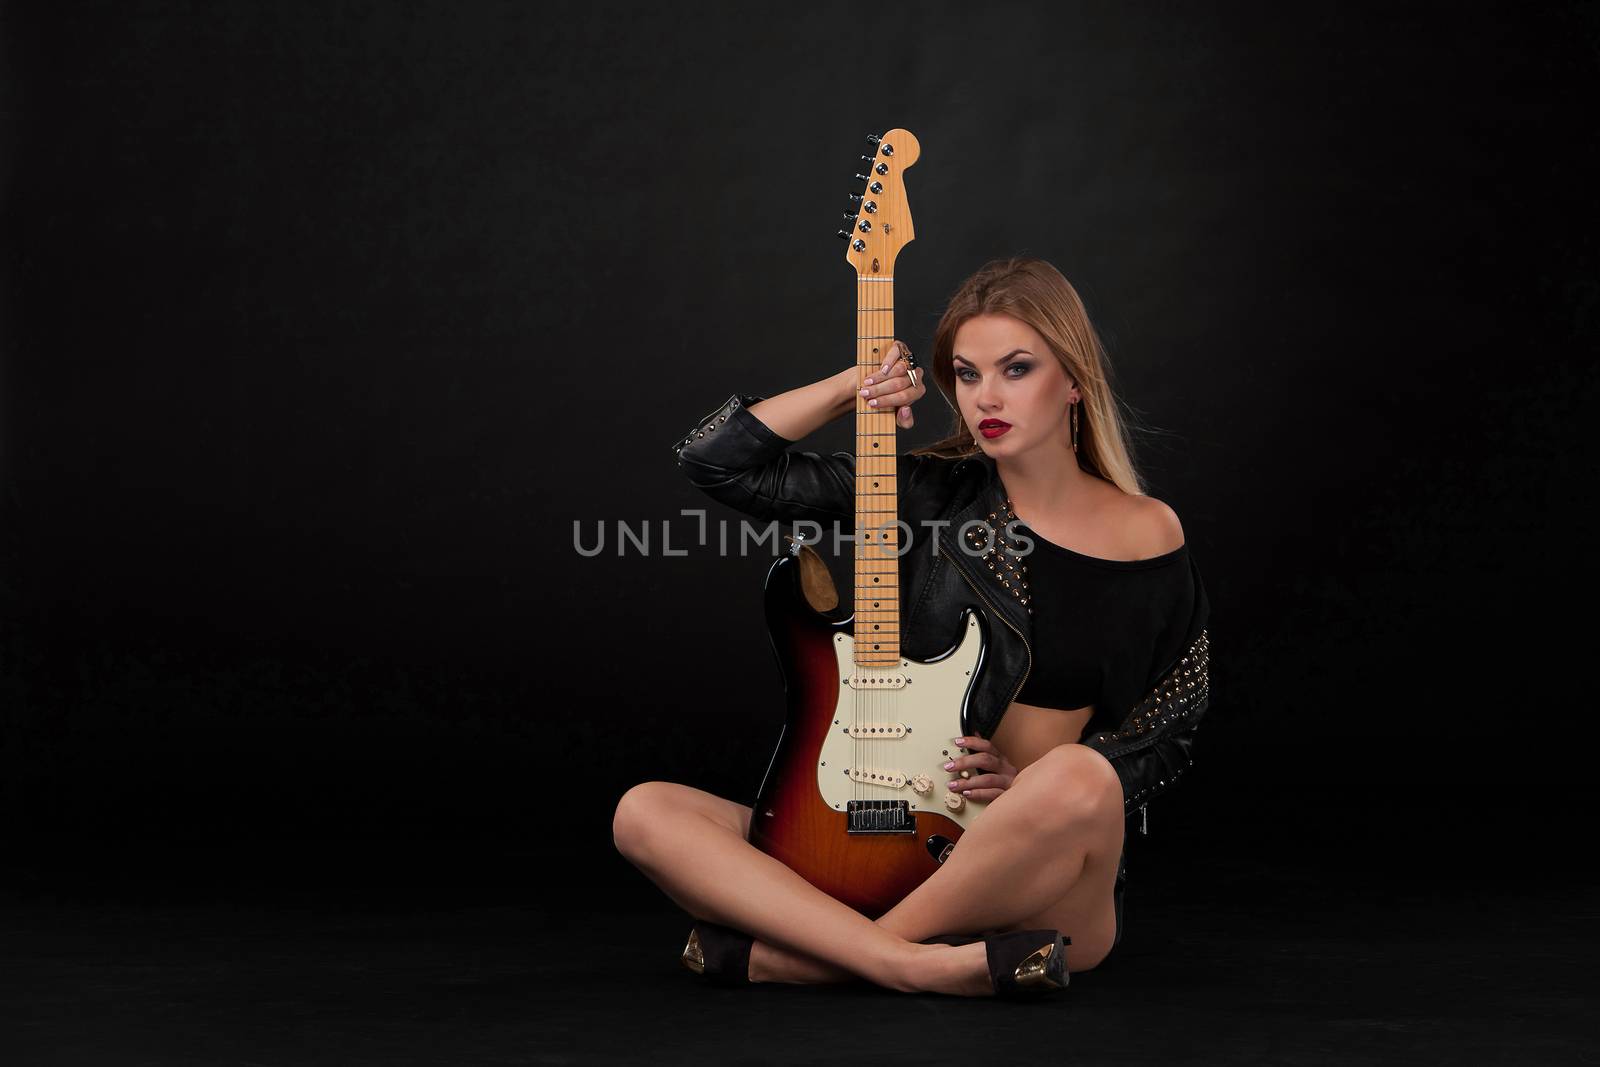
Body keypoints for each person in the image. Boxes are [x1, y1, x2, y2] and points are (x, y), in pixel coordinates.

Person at [612, 255, 1212, 998]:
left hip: (1031, 883)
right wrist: (850, 388)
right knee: (645, 812)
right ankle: (909, 962)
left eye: (1016, 368)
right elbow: (718, 464)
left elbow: (1171, 723)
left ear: (1076, 379)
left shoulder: (1149, 532)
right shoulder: (924, 491)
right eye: (966, 374)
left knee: (1080, 774)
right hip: (878, 841)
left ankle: (825, 952)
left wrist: (1029, 787)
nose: (986, 396)